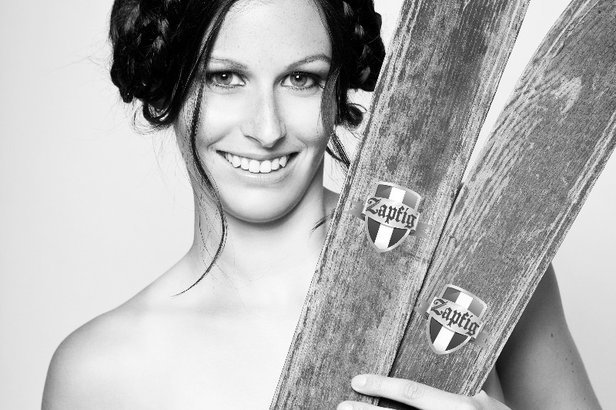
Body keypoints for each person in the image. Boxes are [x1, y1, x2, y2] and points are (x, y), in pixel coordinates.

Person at [42, 0, 600, 408]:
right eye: (225, 77)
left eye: (301, 79)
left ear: (338, 89)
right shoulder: (97, 372)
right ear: (167, 86)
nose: (266, 129)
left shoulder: (474, 264)